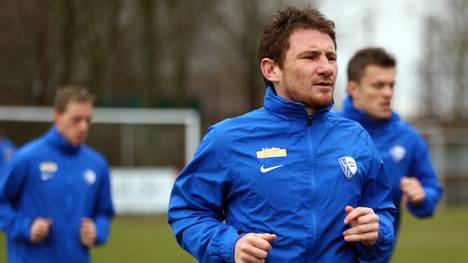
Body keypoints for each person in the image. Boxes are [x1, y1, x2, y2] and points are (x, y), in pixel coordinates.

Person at [168, 6, 396, 263]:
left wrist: (377, 230)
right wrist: (230, 246)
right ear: (271, 69)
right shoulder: (228, 139)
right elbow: (188, 211)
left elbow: (382, 211)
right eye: (310, 57)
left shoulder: (356, 138)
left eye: (330, 57)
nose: (326, 68)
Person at [339, 47, 443, 260]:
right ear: (353, 88)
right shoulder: (329, 133)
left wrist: (422, 197)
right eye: (378, 85)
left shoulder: (408, 138)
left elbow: (432, 189)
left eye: (391, 85)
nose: (387, 93)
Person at [0, 86, 115, 263]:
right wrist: (25, 227)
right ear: (57, 115)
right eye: (76, 119)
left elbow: (104, 212)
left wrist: (97, 230)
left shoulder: (97, 164)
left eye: (88, 120)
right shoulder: (26, 158)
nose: (83, 127)